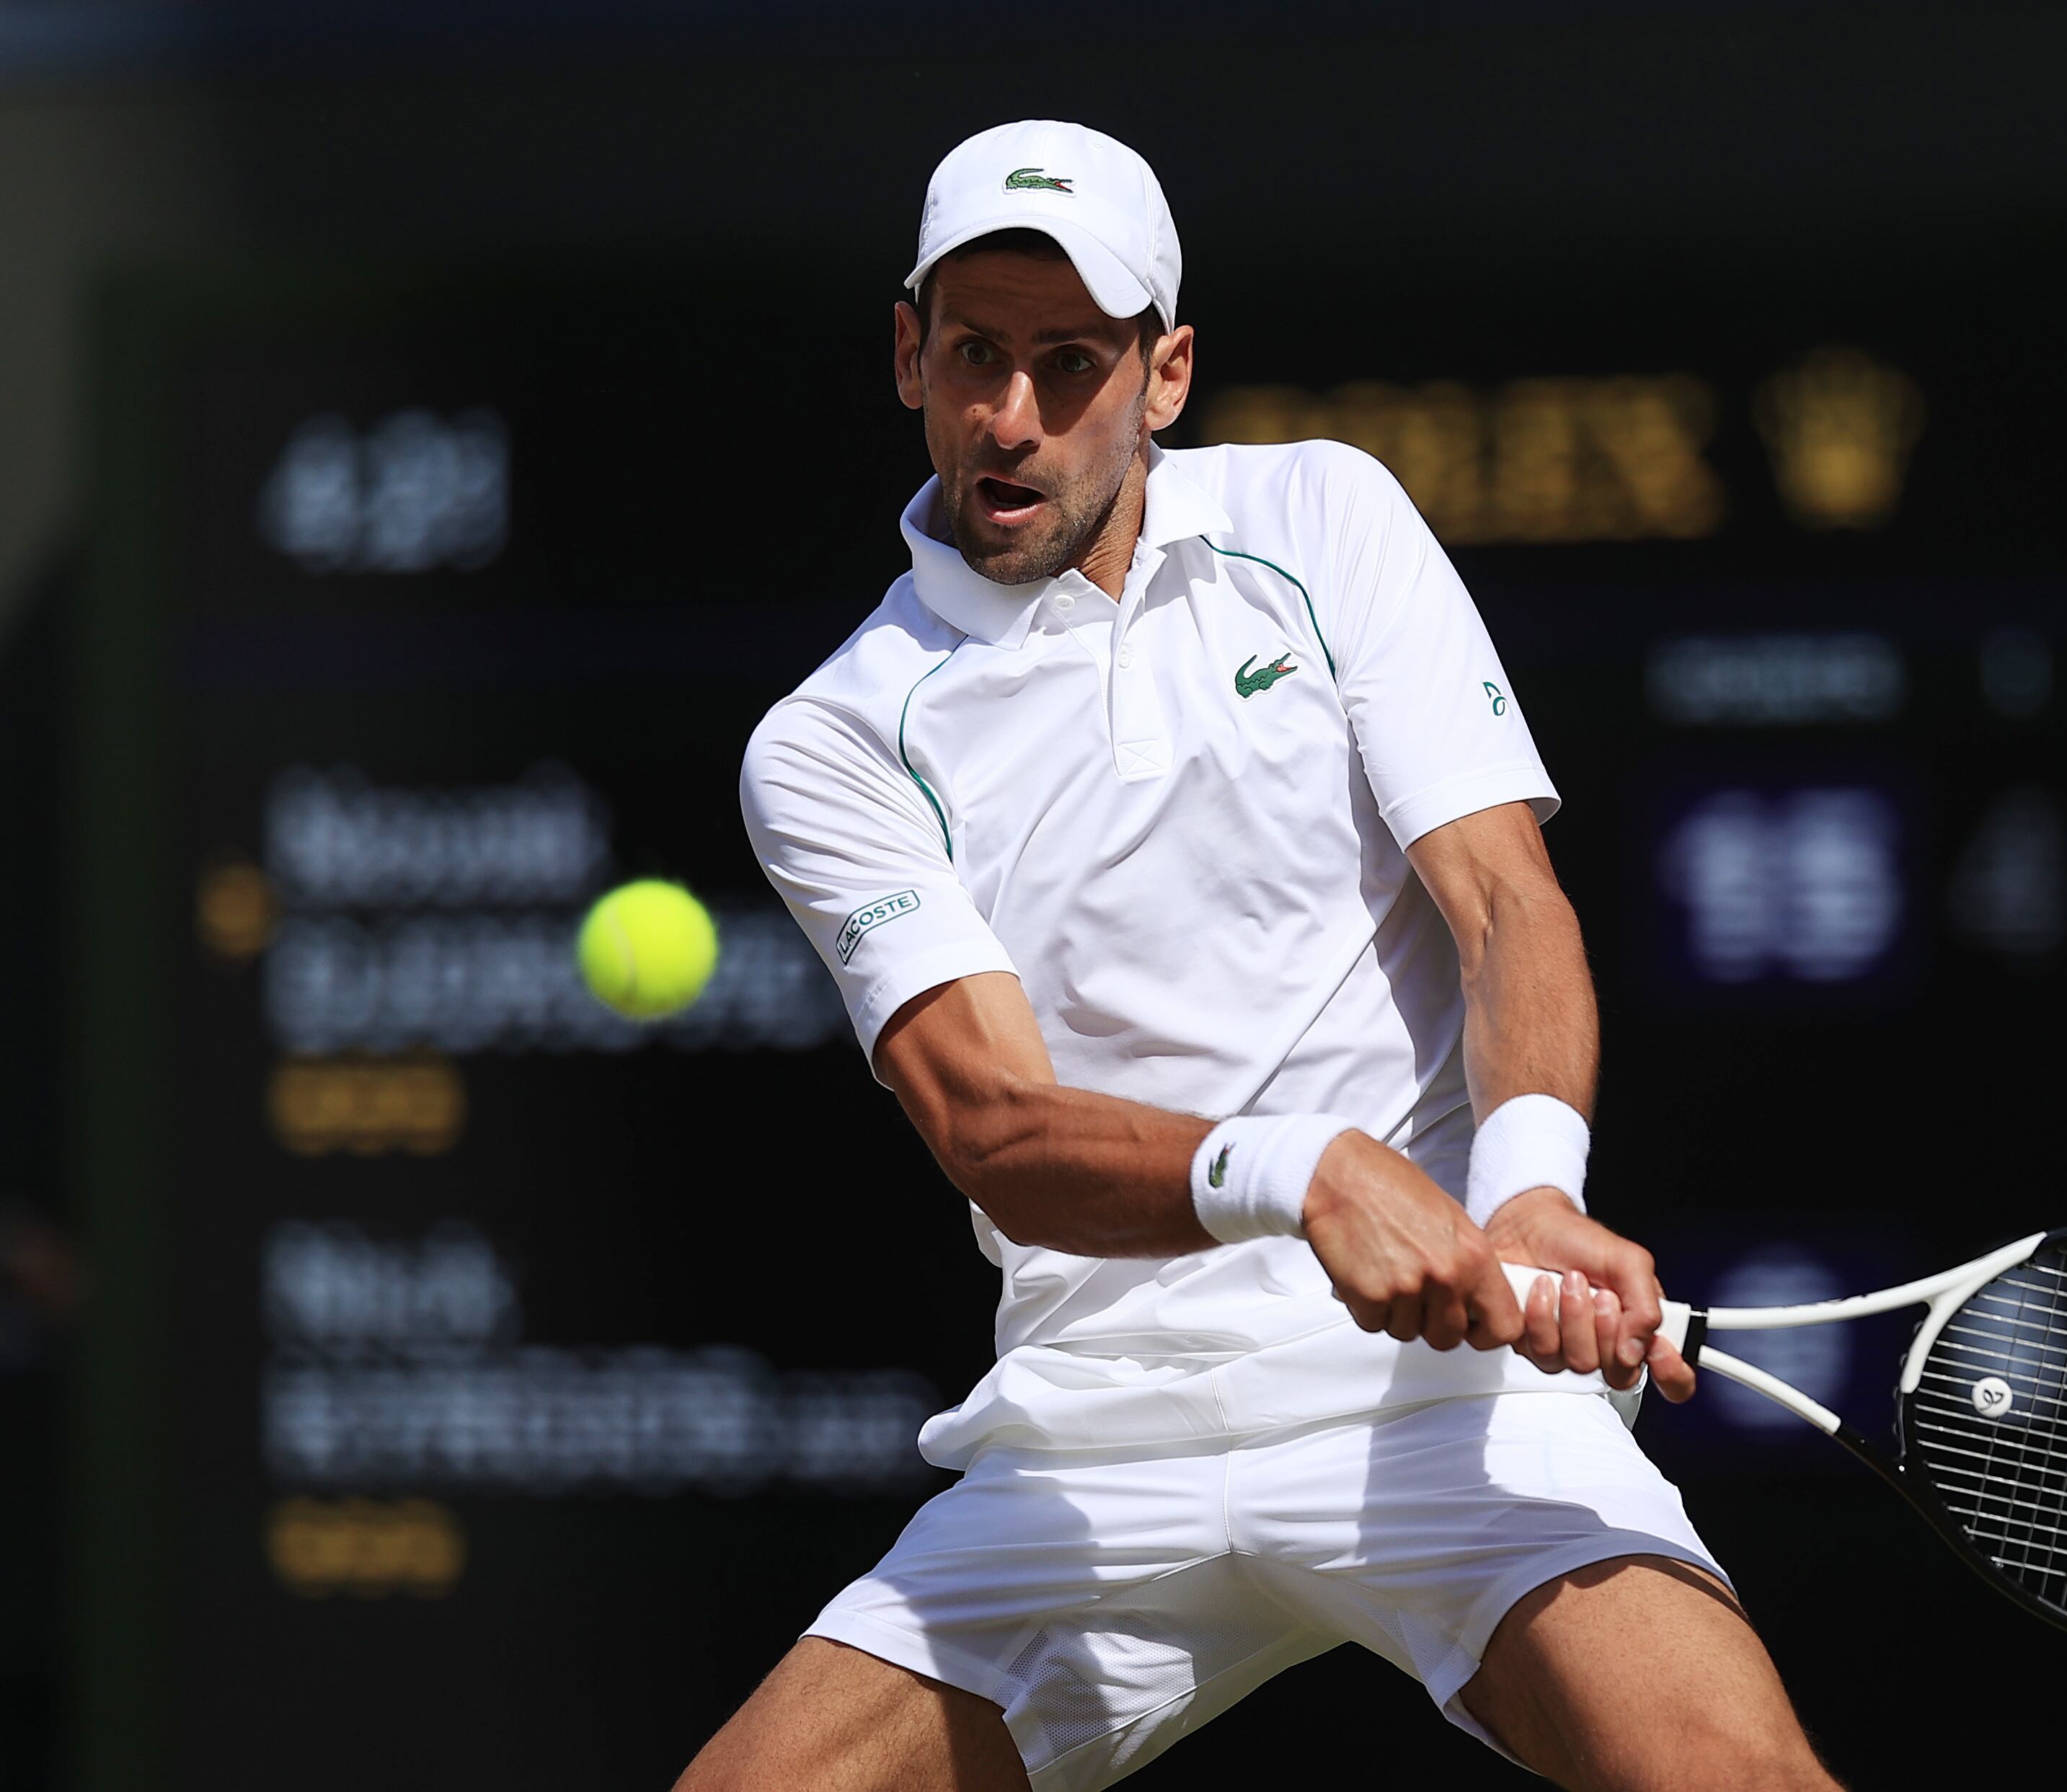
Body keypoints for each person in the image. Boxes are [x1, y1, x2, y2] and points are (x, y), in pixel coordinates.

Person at [687, 119, 1838, 1792]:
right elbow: (1000, 1133)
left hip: (1442, 1398)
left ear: (1165, 375)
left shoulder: (1321, 512)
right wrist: (1299, 1173)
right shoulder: (833, 740)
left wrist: (1524, 1185)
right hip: (1095, 1440)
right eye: (972, 356)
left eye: (1068, 363)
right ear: (906, 354)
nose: (1007, 417)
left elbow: (1505, 899)